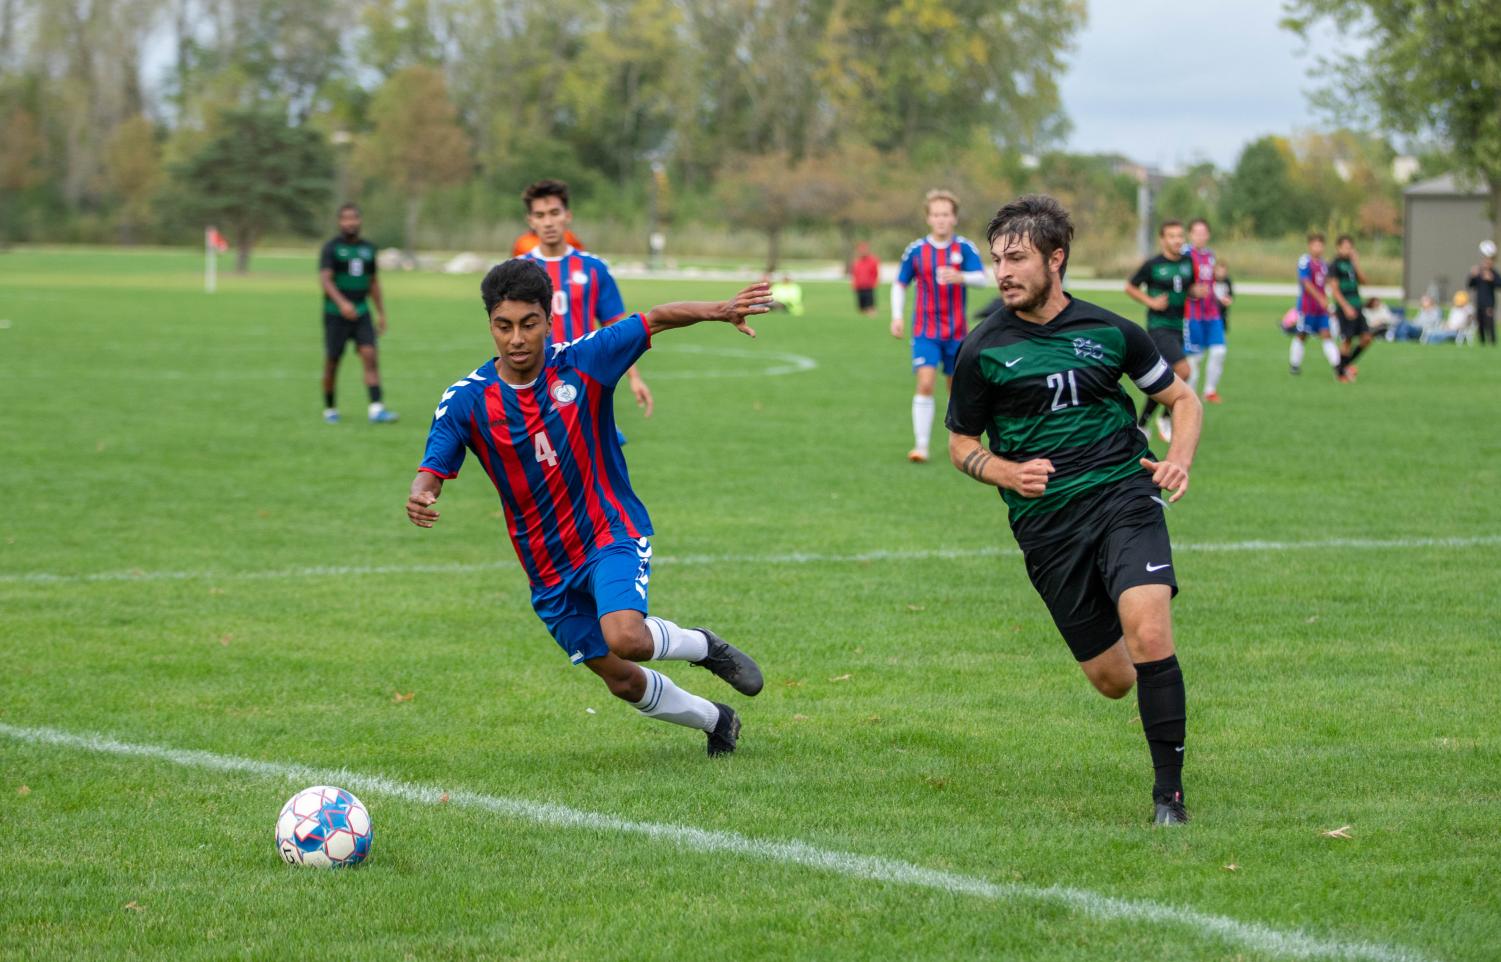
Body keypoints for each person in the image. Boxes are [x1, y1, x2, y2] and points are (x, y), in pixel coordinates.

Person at [406, 259, 769, 756]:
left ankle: (704, 646)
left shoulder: (584, 361)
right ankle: (717, 721)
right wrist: (423, 491)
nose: (516, 338)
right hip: (546, 567)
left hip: (607, 530)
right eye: (503, 326)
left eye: (528, 324)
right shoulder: (466, 400)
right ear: (490, 323)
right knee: (620, 679)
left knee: (628, 638)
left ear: (548, 321)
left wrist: (719, 310)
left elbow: (656, 317)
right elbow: (433, 466)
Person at [945, 194, 1202, 826]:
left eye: (1017, 258)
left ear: (1055, 259)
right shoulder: (983, 350)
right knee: (1113, 679)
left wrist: (1180, 460)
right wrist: (1006, 472)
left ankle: (1168, 793)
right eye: (996, 259)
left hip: (1124, 495)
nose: (1003, 271)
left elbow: (1183, 400)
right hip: (1048, 528)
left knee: (1148, 629)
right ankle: (1153, 686)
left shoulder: (1111, 331)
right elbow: (960, 445)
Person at [519, 179, 653, 422]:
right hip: (534, 379)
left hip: (585, 376)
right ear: (531, 221)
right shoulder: (518, 270)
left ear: (567, 216)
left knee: (592, 452)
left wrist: (635, 377)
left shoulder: (594, 268)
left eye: (554, 213)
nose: (548, 222)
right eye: (540, 215)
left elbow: (617, 327)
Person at [890, 189, 988, 463]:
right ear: (928, 218)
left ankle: (963, 442)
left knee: (956, 390)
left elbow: (983, 278)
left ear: (954, 218)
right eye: (936, 214)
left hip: (957, 332)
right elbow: (899, 283)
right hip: (925, 331)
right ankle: (920, 446)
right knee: (925, 382)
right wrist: (896, 316)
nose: (941, 219)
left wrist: (961, 277)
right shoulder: (917, 250)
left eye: (946, 214)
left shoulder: (964, 248)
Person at [319, 203, 397, 424]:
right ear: (339, 222)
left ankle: (376, 409)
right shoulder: (331, 248)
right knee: (333, 362)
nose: (350, 223)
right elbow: (326, 280)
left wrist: (380, 313)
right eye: (345, 219)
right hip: (335, 314)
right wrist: (342, 303)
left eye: (353, 218)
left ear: (359, 220)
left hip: (362, 312)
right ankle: (330, 408)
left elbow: (373, 282)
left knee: (370, 356)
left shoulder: (369, 249)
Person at [1125, 220, 1193, 441]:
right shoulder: (1153, 264)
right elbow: (1130, 287)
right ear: (1163, 240)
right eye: (1172, 236)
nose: (1177, 240)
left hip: (1178, 326)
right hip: (1159, 327)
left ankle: (1143, 422)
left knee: (1162, 375)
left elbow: (1185, 287)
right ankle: (1165, 415)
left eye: (1180, 236)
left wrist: (1196, 292)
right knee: (1183, 371)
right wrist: (1151, 302)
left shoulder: (1187, 262)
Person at [1183, 219, 1227, 403]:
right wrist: (1191, 291)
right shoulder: (1184, 254)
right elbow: (1179, 282)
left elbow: (1211, 283)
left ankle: (1210, 390)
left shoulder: (1210, 255)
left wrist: (1219, 296)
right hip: (1192, 314)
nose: (1200, 236)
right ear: (1190, 234)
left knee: (1219, 351)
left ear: (1208, 235)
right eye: (1196, 233)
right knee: (1194, 360)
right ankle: (1189, 397)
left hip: (1212, 313)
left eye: (1203, 233)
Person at [1290, 233, 1344, 379]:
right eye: (1315, 244)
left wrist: (1328, 303)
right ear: (1309, 246)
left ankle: (1338, 367)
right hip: (1307, 307)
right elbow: (1306, 282)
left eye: (1320, 245)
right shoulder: (1305, 261)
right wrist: (1320, 297)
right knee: (1302, 335)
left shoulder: (1323, 264)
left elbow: (1325, 284)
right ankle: (1294, 365)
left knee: (1326, 335)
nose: (1318, 248)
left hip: (1321, 309)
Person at [1329, 235, 1372, 380]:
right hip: (1345, 307)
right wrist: (1346, 307)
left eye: (1350, 247)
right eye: (1345, 247)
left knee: (1366, 338)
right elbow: (1334, 290)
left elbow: (1364, 281)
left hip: (1357, 305)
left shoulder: (1352, 264)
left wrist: (1356, 263)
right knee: (1347, 340)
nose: (1348, 250)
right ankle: (1342, 374)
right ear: (1338, 247)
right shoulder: (1335, 265)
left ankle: (1343, 367)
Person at [1466, 240, 1498, 346]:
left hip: (1489, 303)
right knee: (1481, 324)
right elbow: (1470, 285)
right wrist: (1472, 275)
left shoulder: (1493, 273)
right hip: (1479, 302)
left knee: (1490, 324)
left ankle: (1492, 342)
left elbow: (1499, 284)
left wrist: (1492, 279)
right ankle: (1482, 343)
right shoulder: (1478, 273)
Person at [512, 226, 586, 258]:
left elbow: (579, 256)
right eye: (539, 216)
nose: (546, 222)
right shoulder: (523, 242)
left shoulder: (567, 236)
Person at [850, 242, 880, 316]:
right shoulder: (857, 262)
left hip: (869, 287)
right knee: (861, 308)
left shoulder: (873, 261)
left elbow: (875, 273)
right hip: (859, 287)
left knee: (870, 307)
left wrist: (874, 282)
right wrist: (854, 284)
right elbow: (854, 274)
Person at [1213, 261, 1234, 334]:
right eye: (1219, 271)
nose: (1221, 274)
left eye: (1223, 271)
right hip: (1210, 314)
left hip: (1222, 314)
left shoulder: (1227, 281)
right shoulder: (1210, 281)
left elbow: (1230, 295)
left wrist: (1228, 300)